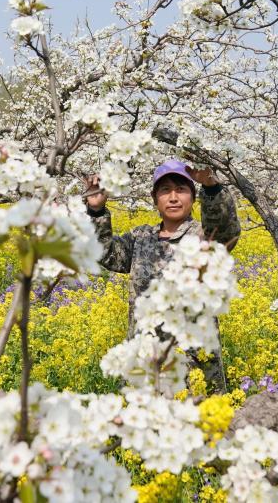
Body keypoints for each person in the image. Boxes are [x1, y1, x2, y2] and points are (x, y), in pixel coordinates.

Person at [84, 159, 241, 394]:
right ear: (154, 198)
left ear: (193, 198)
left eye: (181, 190)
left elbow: (225, 229)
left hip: (193, 365)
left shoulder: (203, 237)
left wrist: (211, 187)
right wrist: (96, 210)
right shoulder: (141, 237)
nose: (174, 197)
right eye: (165, 190)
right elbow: (105, 253)